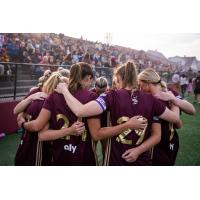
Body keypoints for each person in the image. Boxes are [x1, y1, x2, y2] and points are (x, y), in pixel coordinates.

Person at [55, 61, 180, 166]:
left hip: (116, 160)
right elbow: (175, 118)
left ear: (119, 79)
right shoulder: (151, 99)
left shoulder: (111, 96)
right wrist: (174, 100)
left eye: (116, 82)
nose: (116, 85)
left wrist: (65, 90)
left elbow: (80, 111)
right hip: (142, 161)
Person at [138, 68, 195, 165]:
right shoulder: (146, 98)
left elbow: (192, 110)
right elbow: (178, 122)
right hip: (154, 145)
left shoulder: (169, 93)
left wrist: (173, 99)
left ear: (147, 83)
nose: (139, 88)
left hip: (170, 143)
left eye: (140, 85)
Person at [14, 72, 67, 165]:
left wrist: (23, 120)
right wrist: (30, 99)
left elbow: (36, 125)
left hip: (31, 140)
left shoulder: (52, 100)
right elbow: (17, 112)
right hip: (37, 145)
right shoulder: (39, 95)